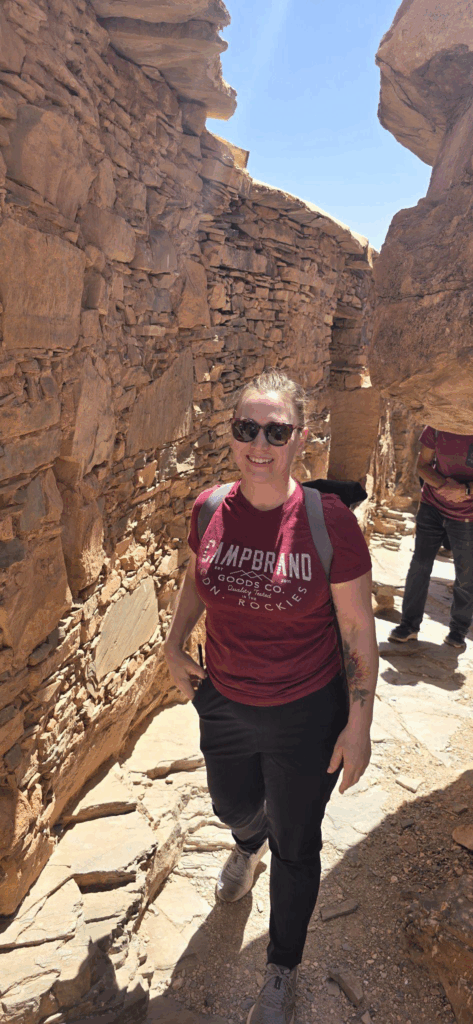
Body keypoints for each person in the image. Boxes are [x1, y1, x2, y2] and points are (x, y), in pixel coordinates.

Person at [164, 370, 378, 1024]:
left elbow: (358, 636)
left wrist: (359, 724)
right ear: (232, 434)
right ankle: (244, 842)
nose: (260, 443)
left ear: (300, 438)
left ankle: (280, 966)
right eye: (246, 429)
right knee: (232, 806)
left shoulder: (328, 523)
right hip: (224, 698)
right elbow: (197, 580)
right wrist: (173, 645)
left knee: (297, 842)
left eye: (276, 431)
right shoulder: (208, 508)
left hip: (305, 712)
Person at [389, 426, 473, 648]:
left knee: (466, 574)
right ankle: (408, 626)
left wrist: (464, 490)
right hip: (432, 506)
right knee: (420, 565)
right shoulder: (438, 426)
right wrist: (445, 486)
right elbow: (422, 465)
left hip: (467, 515)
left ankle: (458, 631)